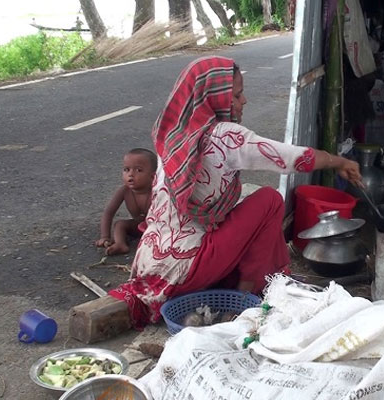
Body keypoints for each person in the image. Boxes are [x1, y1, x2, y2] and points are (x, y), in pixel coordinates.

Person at [110, 56, 363, 328]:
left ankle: (236, 283)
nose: (244, 102)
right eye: (237, 95)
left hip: (148, 268)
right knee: (269, 200)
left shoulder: (173, 133)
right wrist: (340, 161)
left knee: (242, 210)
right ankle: (245, 293)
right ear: (213, 98)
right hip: (187, 269)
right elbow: (292, 158)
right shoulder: (224, 136)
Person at [95, 148, 157, 256]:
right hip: (139, 226)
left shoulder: (158, 190)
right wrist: (104, 236)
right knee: (120, 224)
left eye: (138, 170)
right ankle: (120, 244)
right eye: (126, 169)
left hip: (158, 227)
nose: (130, 174)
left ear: (153, 176)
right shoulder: (124, 191)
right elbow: (109, 213)